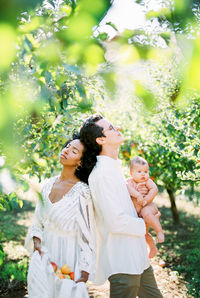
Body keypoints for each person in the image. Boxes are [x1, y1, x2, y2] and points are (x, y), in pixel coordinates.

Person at [80, 114, 163, 298]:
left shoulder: (114, 168)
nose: (117, 127)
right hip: (123, 261)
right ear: (101, 139)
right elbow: (115, 221)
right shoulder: (101, 174)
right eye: (110, 128)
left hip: (138, 256)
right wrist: (147, 224)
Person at [25, 134, 96, 298]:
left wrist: (84, 272)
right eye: (68, 146)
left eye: (74, 151)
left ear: (80, 162)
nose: (66, 150)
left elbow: (87, 234)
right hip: (43, 257)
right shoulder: (48, 184)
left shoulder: (82, 192)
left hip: (68, 259)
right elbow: (37, 221)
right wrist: (38, 249)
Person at [126, 156, 164, 259]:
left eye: (146, 171)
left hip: (148, 206)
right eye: (139, 171)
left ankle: (159, 231)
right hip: (138, 213)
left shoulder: (147, 182)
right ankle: (152, 247)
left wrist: (146, 199)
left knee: (147, 213)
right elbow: (127, 188)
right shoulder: (129, 182)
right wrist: (137, 195)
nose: (143, 174)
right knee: (144, 233)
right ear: (131, 173)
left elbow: (154, 189)